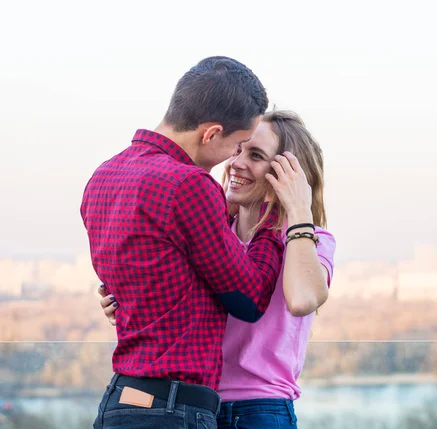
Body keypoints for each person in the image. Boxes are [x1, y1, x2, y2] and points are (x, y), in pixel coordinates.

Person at [81, 57, 312, 429]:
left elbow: (152, 274)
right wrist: (271, 224)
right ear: (211, 133)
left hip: (120, 401)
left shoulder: (103, 176)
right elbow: (249, 299)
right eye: (236, 145)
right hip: (173, 408)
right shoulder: (189, 185)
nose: (232, 161)